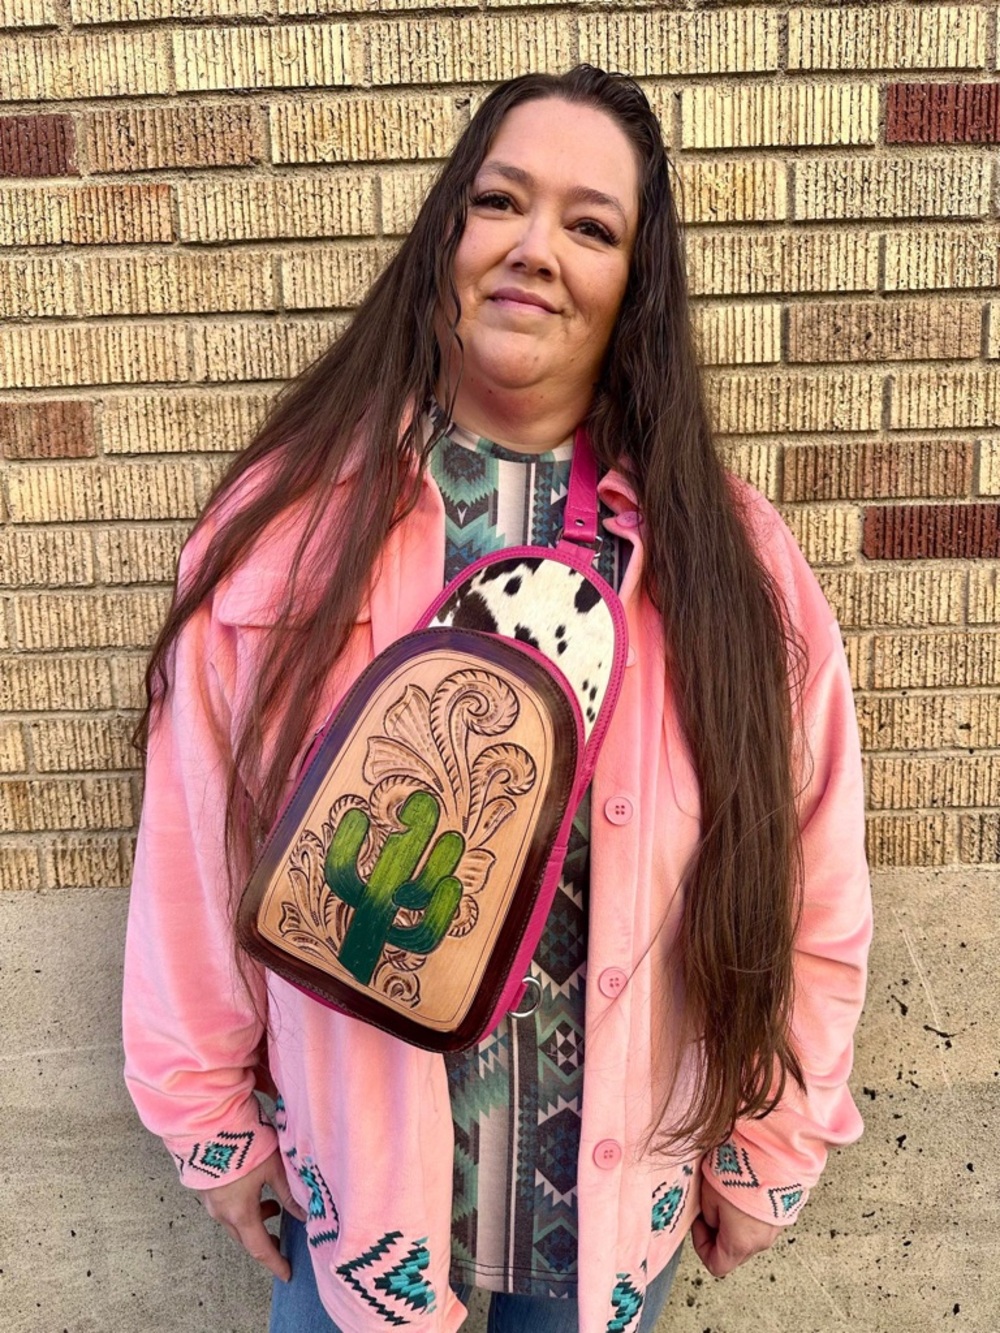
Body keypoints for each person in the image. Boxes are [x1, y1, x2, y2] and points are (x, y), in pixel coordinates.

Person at [122, 66, 872, 1333]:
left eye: (591, 226)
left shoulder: (733, 569)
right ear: (446, 237)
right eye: (499, 202)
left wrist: (773, 1143)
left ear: (634, 286)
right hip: (354, 1217)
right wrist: (209, 1123)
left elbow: (815, 875)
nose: (535, 249)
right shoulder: (285, 534)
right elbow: (198, 848)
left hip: (608, 1224)